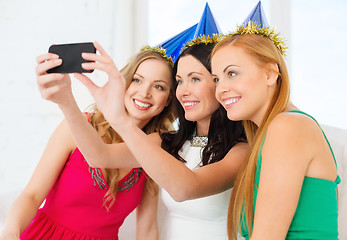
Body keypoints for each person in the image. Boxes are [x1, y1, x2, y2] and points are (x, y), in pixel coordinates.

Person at [62, 36, 248, 240]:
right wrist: (65, 100)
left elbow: (183, 189)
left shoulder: (241, 151)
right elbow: (100, 156)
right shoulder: (166, 142)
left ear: (219, 84)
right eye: (179, 81)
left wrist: (120, 120)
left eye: (195, 79)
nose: (183, 91)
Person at [0, 42, 176, 240]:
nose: (145, 93)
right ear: (124, 82)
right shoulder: (77, 126)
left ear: (169, 99)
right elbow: (31, 195)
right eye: (137, 80)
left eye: (159, 86)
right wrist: (10, 232)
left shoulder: (156, 149)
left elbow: (148, 230)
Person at [211, 21, 340, 240]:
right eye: (216, 79)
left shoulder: (287, 127)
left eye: (232, 73)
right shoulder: (278, 131)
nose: (220, 88)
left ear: (271, 74)